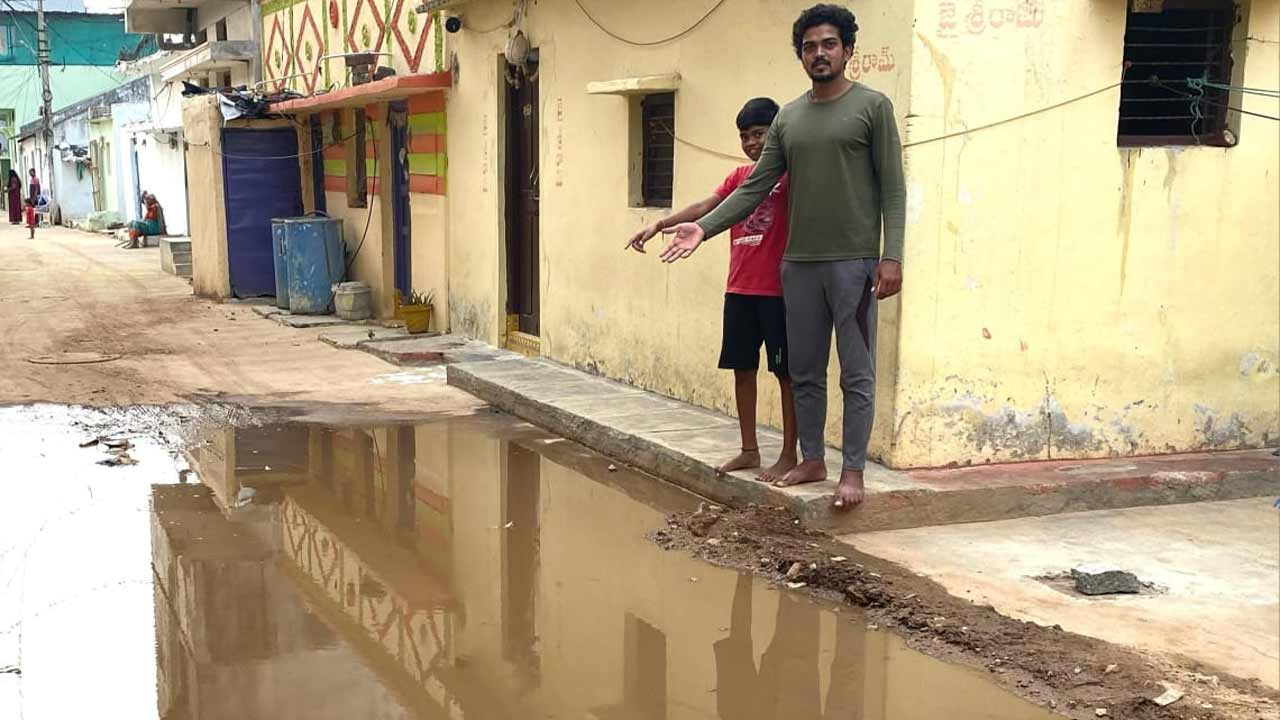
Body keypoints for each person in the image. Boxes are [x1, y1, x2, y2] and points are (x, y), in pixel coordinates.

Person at [659, 4, 906, 509]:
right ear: (801, 56)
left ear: (847, 50)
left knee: (856, 371)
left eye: (829, 44)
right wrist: (703, 227)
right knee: (805, 370)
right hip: (797, 267)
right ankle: (812, 459)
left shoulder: (873, 107)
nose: (820, 53)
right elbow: (754, 188)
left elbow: (893, 189)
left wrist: (892, 256)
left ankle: (852, 470)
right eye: (810, 47)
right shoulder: (788, 118)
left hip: (853, 263)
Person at [627, 98, 798, 482]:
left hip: (779, 292)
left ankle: (789, 454)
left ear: (777, 133)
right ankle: (749, 450)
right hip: (739, 288)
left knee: (786, 374)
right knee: (742, 369)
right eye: (745, 136)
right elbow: (706, 205)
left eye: (759, 134)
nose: (752, 143)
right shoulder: (739, 177)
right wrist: (660, 224)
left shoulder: (793, 176)